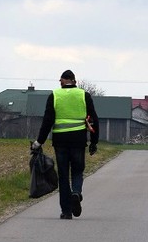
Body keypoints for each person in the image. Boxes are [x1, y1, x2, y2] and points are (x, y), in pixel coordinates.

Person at [32, 70, 100, 219]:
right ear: (75, 81)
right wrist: (94, 142)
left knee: (63, 175)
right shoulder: (84, 95)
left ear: (62, 81)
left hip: (60, 142)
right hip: (78, 140)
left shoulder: (55, 96)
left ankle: (66, 211)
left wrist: (39, 142)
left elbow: (47, 121)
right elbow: (94, 119)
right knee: (77, 171)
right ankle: (76, 193)